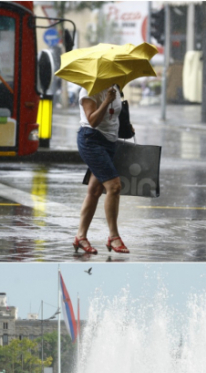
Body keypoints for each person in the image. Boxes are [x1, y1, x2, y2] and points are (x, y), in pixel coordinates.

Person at [73, 84, 134, 255]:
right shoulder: (88, 91)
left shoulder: (114, 87)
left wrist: (126, 126)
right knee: (114, 187)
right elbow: (92, 121)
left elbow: (115, 116)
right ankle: (114, 237)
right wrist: (107, 100)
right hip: (91, 140)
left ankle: (81, 236)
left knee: (95, 190)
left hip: (110, 142)